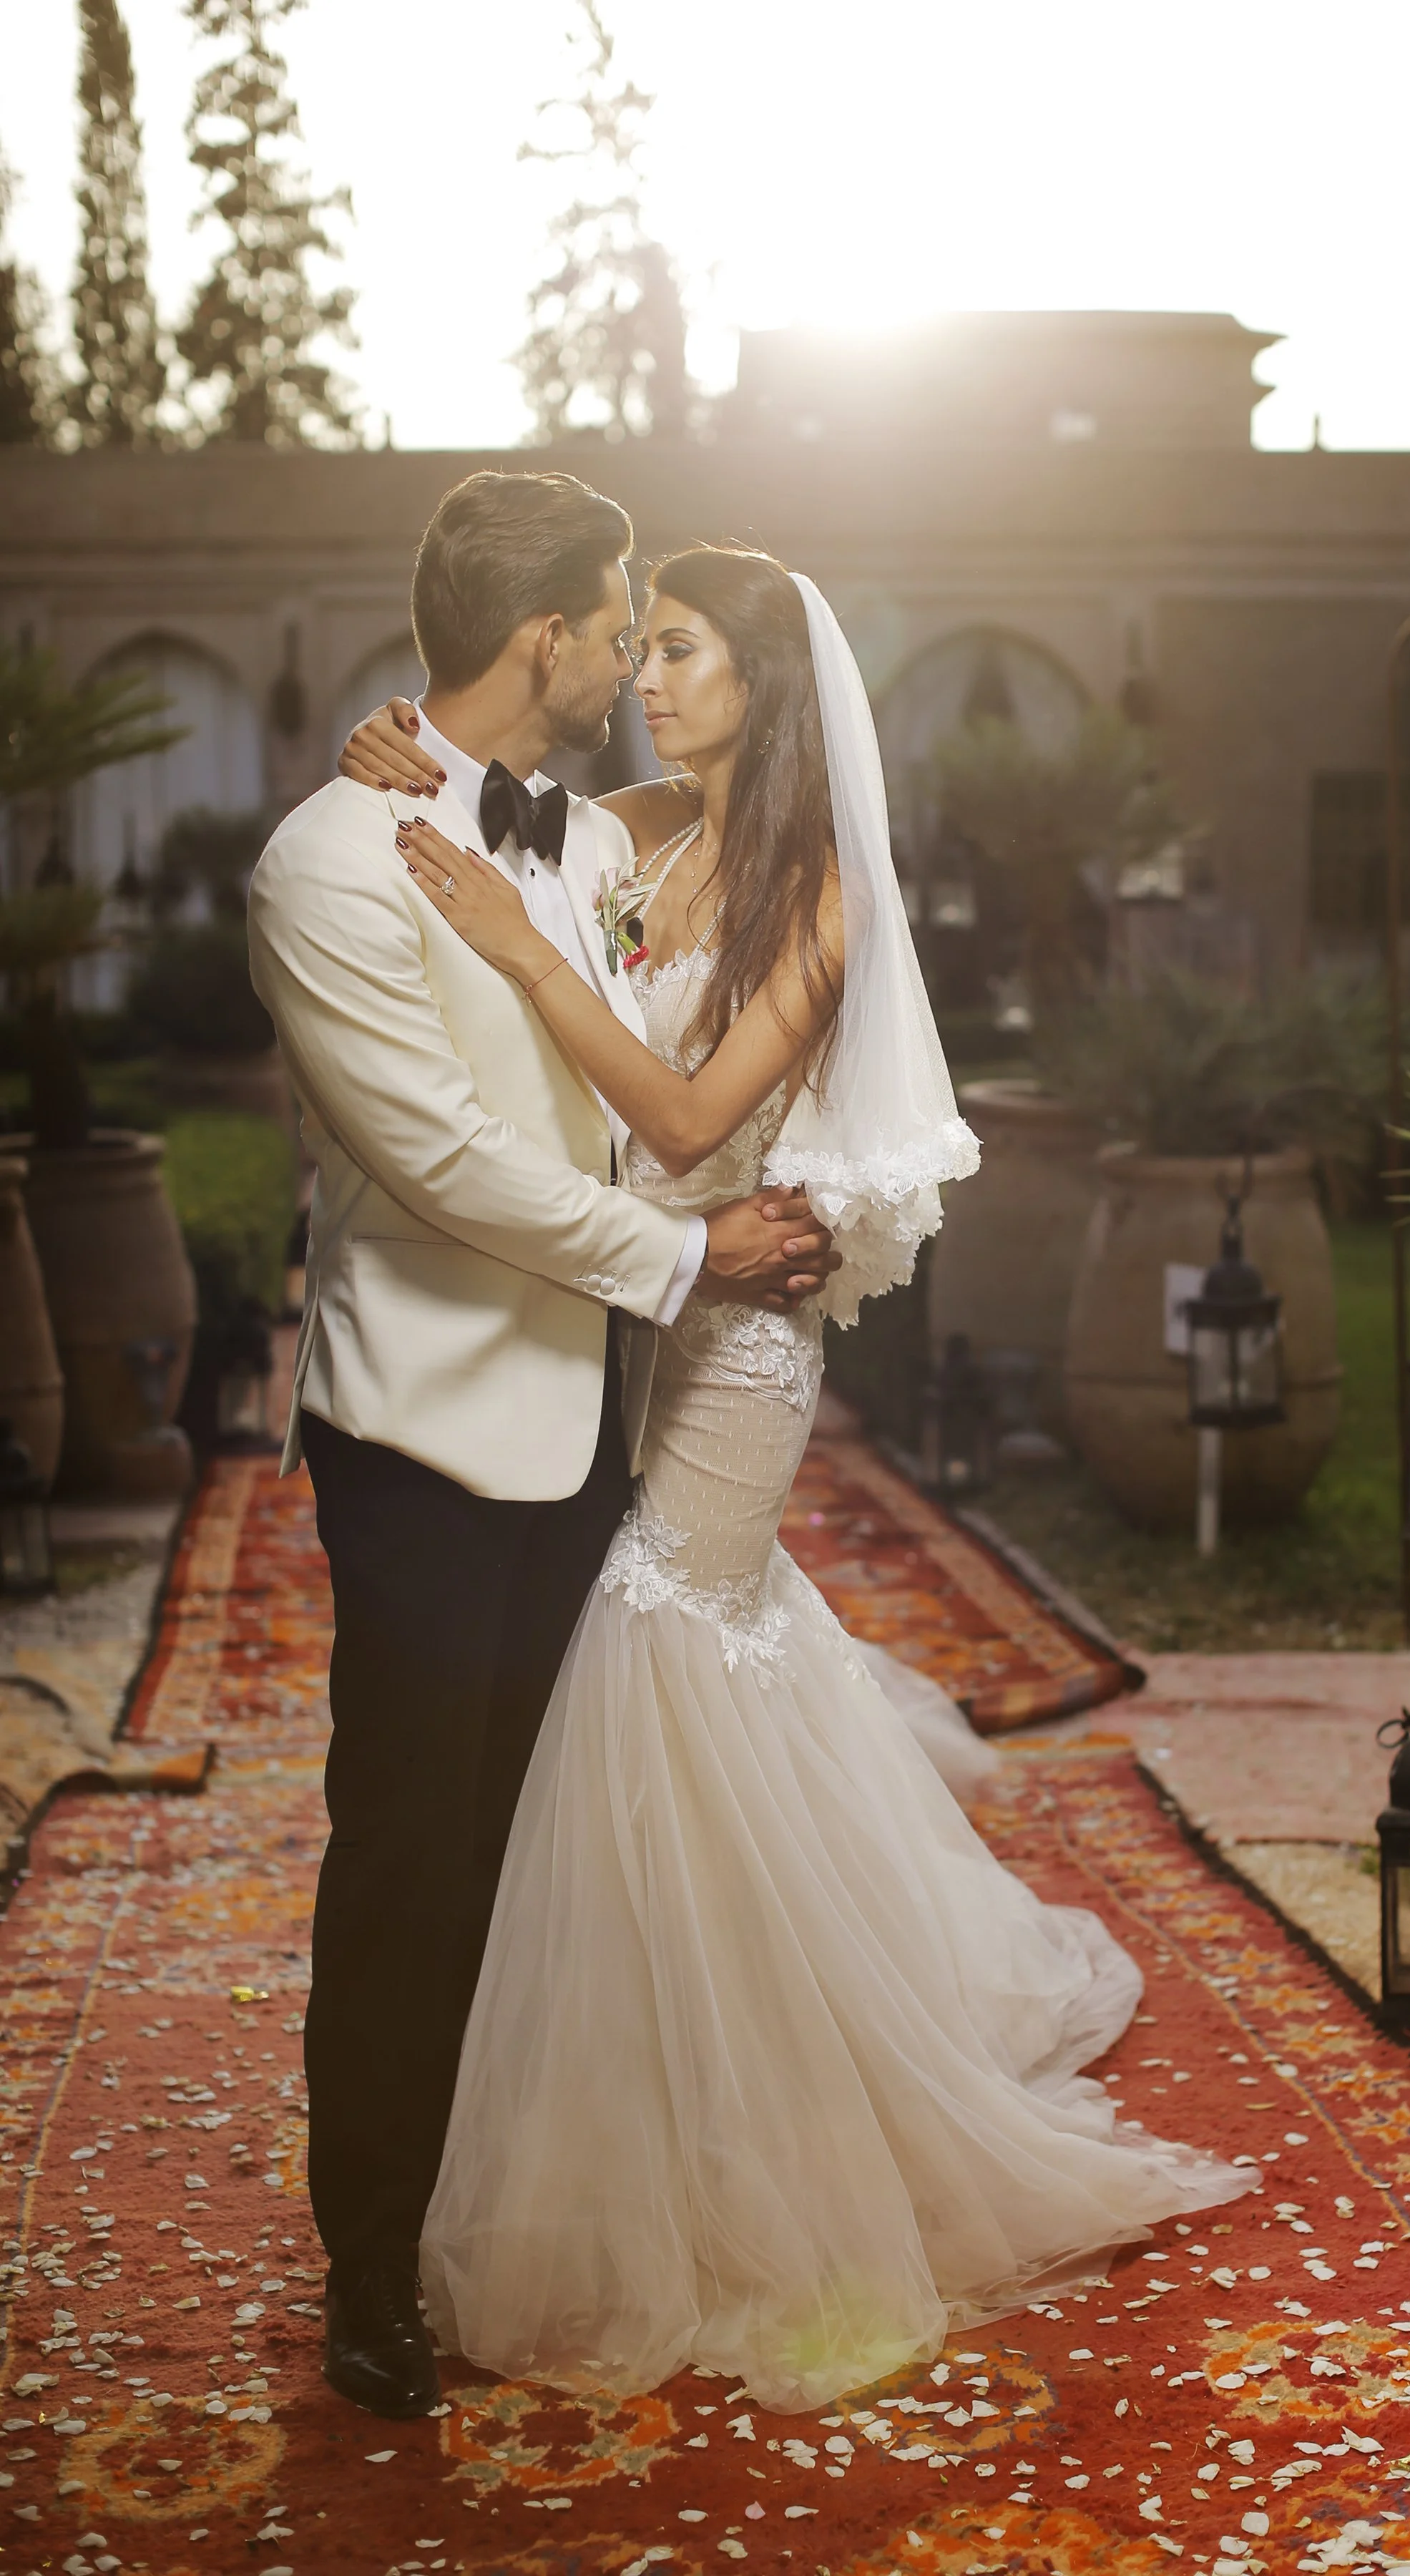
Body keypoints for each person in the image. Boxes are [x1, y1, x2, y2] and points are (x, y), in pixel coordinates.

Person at [331, 542, 1258, 2415]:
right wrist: (394, 750)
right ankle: (637, 2085)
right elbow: (498, 808)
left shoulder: (824, 893)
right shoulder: (644, 827)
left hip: (738, 1345)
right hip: (617, 1307)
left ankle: (729, 2133)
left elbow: (685, 1115)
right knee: (614, 1690)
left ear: (760, 670)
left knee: (656, 1657)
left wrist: (524, 958)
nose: (643, 677)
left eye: (675, 650)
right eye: (639, 647)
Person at [247, 471, 843, 2424]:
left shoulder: (582, 833)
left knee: (550, 1849)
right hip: (421, 1439)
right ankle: (371, 2260)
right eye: (611, 626)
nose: (622, 658)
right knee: (414, 1851)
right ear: (542, 645)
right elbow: (439, 1166)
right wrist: (685, 1251)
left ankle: (531, 2208)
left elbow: (757, 812)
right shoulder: (323, 868)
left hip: (596, 1415)